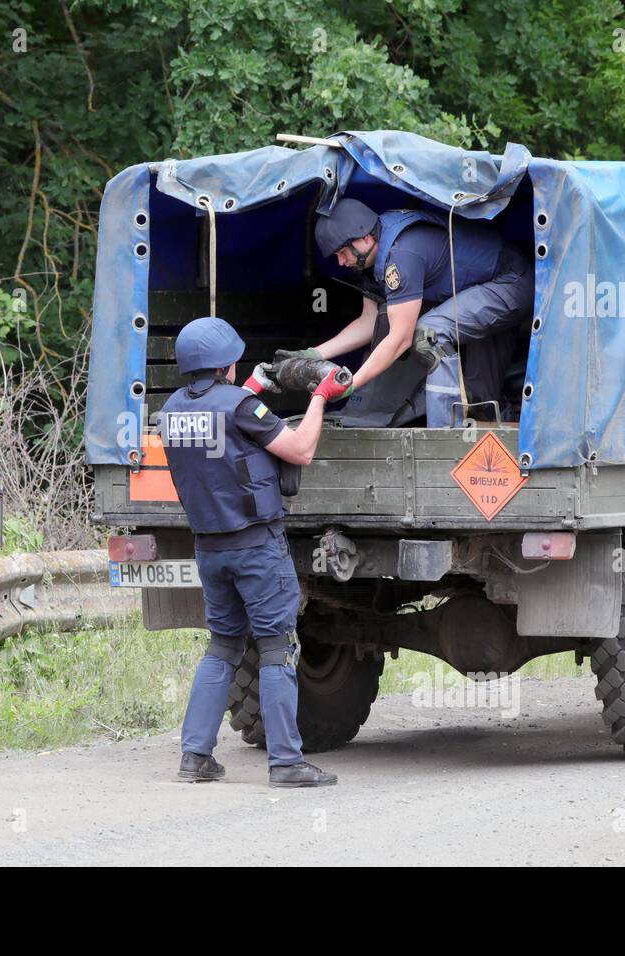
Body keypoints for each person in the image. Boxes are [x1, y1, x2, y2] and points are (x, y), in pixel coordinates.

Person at [158, 316, 349, 787]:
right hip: (256, 548)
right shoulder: (242, 406)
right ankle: (286, 763)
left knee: (222, 646)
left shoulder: (172, 410)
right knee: (277, 650)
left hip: (210, 548)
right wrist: (320, 396)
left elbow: (222, 429)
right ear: (226, 363)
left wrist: (250, 388)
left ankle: (195, 757)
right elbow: (301, 449)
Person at [281, 197, 533, 426]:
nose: (341, 262)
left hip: (511, 282)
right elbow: (368, 322)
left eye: (343, 252)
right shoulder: (372, 255)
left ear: (365, 238)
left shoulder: (402, 253)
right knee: (483, 403)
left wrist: (351, 384)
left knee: (429, 334)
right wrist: (313, 353)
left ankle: (443, 438)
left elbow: (400, 338)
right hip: (480, 290)